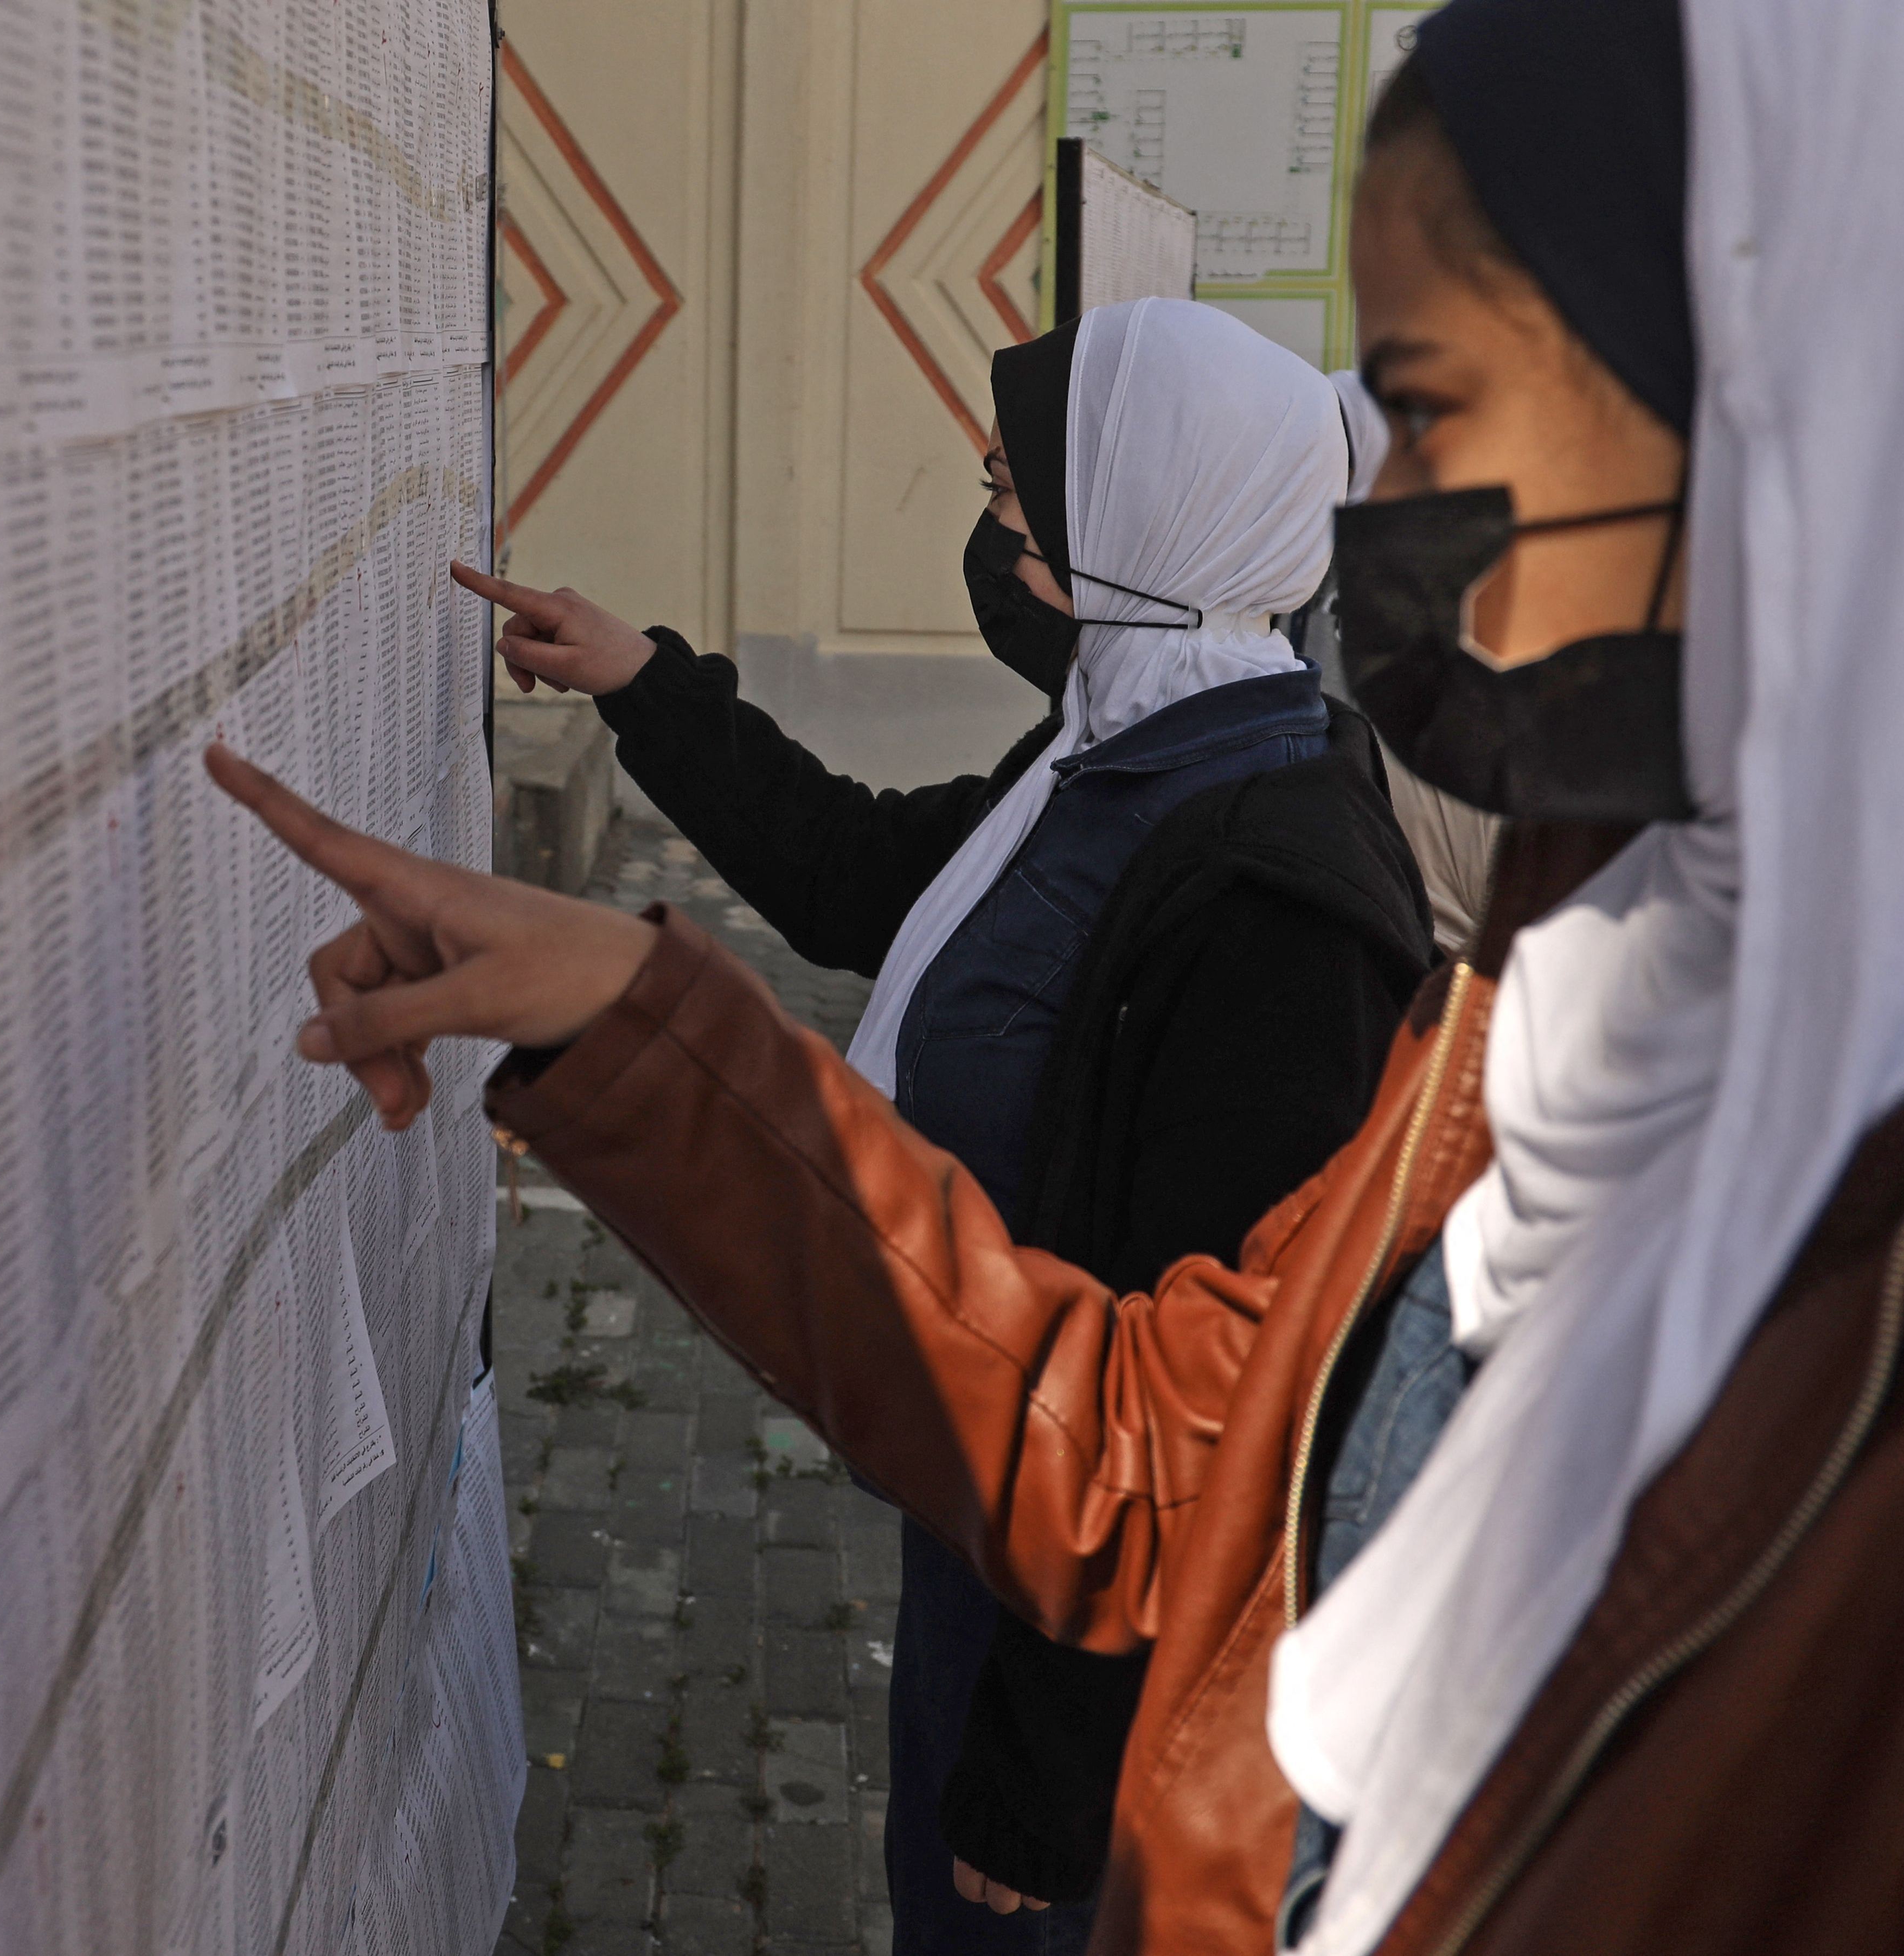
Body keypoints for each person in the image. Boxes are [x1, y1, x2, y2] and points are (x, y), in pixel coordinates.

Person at [207, 0, 1904, 1947]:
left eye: (1454, 418)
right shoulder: (1576, 1023)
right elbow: (1167, 1462)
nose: (1391, 537)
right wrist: (624, 1016)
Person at [456, 296, 1435, 1947]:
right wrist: (645, 687)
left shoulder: (1270, 885)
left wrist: (1044, 1782)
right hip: (1001, 1529)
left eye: (1008, 506)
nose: (984, 539)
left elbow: (1207, 1414)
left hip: (1097, 1662)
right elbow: (856, 877)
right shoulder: (1121, 756)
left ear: (1139, 526)